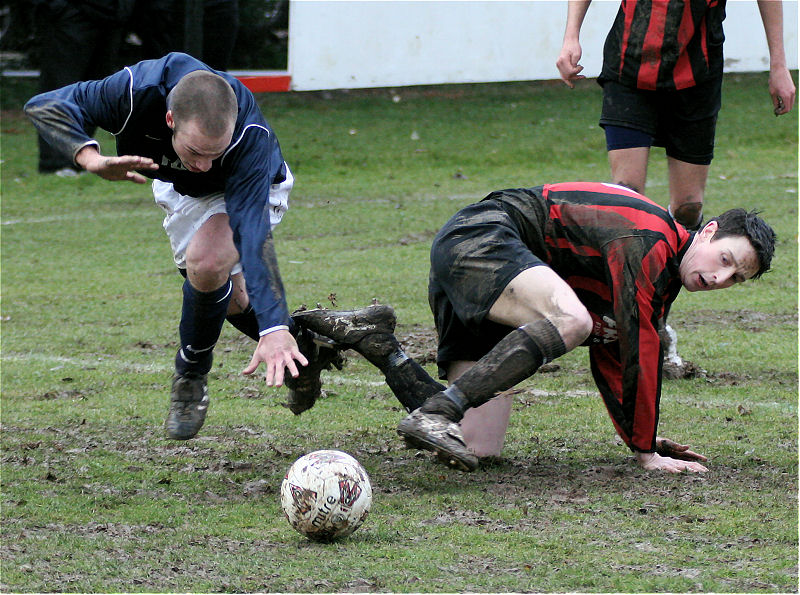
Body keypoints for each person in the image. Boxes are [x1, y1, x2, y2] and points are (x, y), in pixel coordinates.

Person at [294, 182, 775, 473]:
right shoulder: (649, 240)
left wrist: (639, 439)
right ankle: (436, 411)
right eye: (726, 259)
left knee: (477, 445)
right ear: (708, 231)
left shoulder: (661, 278)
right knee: (573, 320)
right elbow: (638, 348)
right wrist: (646, 450)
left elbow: (612, 353)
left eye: (737, 278)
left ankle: (378, 342)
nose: (720, 278)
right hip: (483, 239)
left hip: (507, 278)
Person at [23, 52, 344, 441]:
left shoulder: (250, 139)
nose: (207, 164)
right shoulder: (134, 91)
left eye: (215, 153)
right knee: (228, 300)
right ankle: (307, 350)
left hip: (247, 192)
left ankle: (190, 377)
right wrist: (90, 159)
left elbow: (251, 231)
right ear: (170, 120)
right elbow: (46, 104)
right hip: (179, 190)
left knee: (206, 263)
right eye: (196, 152)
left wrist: (273, 325)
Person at [555, 0, 795, 231]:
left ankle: (679, 260)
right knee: (626, 194)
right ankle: (634, 269)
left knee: (688, 208)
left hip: (698, 71)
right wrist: (571, 37)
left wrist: (778, 65)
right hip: (630, 65)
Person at [31, 0, 135, 175]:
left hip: (110, 16)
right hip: (72, 13)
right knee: (61, 85)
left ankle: (78, 157)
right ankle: (55, 162)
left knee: (94, 89)